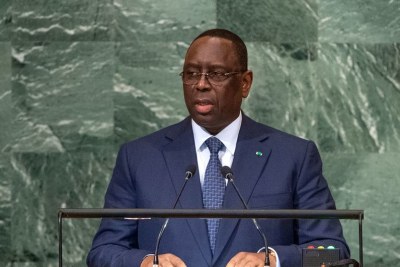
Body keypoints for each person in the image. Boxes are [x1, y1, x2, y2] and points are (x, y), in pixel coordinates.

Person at [87, 29, 349, 267]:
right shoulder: (139, 157)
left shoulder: (293, 156)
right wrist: (144, 263)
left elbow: (333, 253)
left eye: (216, 74)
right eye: (191, 74)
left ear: (245, 83)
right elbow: (103, 252)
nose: (201, 84)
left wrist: (274, 259)